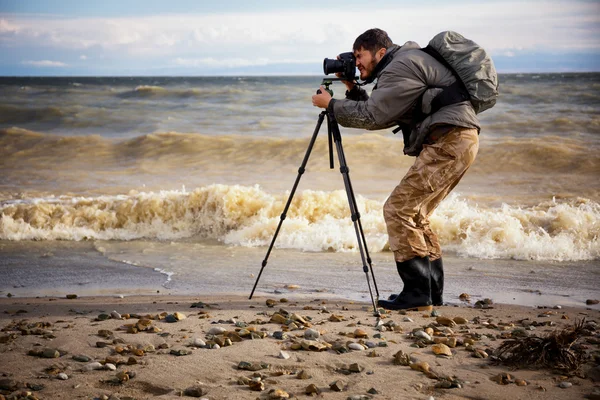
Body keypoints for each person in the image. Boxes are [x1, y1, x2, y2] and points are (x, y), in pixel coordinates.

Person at [312, 28, 480, 311]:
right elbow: (381, 108)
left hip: (450, 140)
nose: (356, 63)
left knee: (397, 209)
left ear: (380, 52)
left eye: (359, 56)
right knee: (416, 214)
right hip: (459, 139)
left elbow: (374, 117)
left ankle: (416, 294)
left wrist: (332, 106)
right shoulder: (403, 63)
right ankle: (430, 292)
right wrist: (351, 88)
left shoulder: (400, 66)